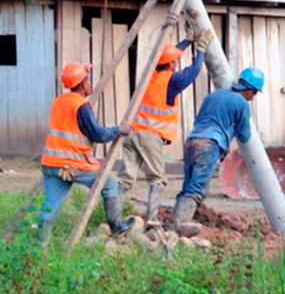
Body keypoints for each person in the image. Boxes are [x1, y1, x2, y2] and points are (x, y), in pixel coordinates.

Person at [117, 28, 214, 227]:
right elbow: (193, 72)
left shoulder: (150, 74)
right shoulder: (172, 81)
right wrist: (201, 49)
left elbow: (167, 55)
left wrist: (187, 41)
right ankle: (151, 219)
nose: (176, 63)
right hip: (150, 135)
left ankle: (114, 218)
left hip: (132, 132)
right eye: (175, 61)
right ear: (170, 64)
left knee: (125, 179)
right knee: (157, 179)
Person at [38, 62, 134, 247]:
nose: (90, 84)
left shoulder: (59, 101)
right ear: (82, 84)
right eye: (88, 80)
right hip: (72, 165)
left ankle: (40, 246)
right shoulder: (80, 106)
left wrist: (82, 70)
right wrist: (119, 129)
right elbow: (98, 135)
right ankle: (117, 226)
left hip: (51, 164)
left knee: (49, 206)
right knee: (109, 182)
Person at [172, 67, 264, 237]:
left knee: (188, 185)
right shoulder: (242, 104)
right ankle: (181, 226)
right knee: (197, 189)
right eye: (255, 93)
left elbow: (201, 119)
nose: (253, 97)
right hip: (210, 143)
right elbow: (244, 135)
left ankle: (174, 223)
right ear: (250, 91)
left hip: (192, 141)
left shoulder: (212, 96)